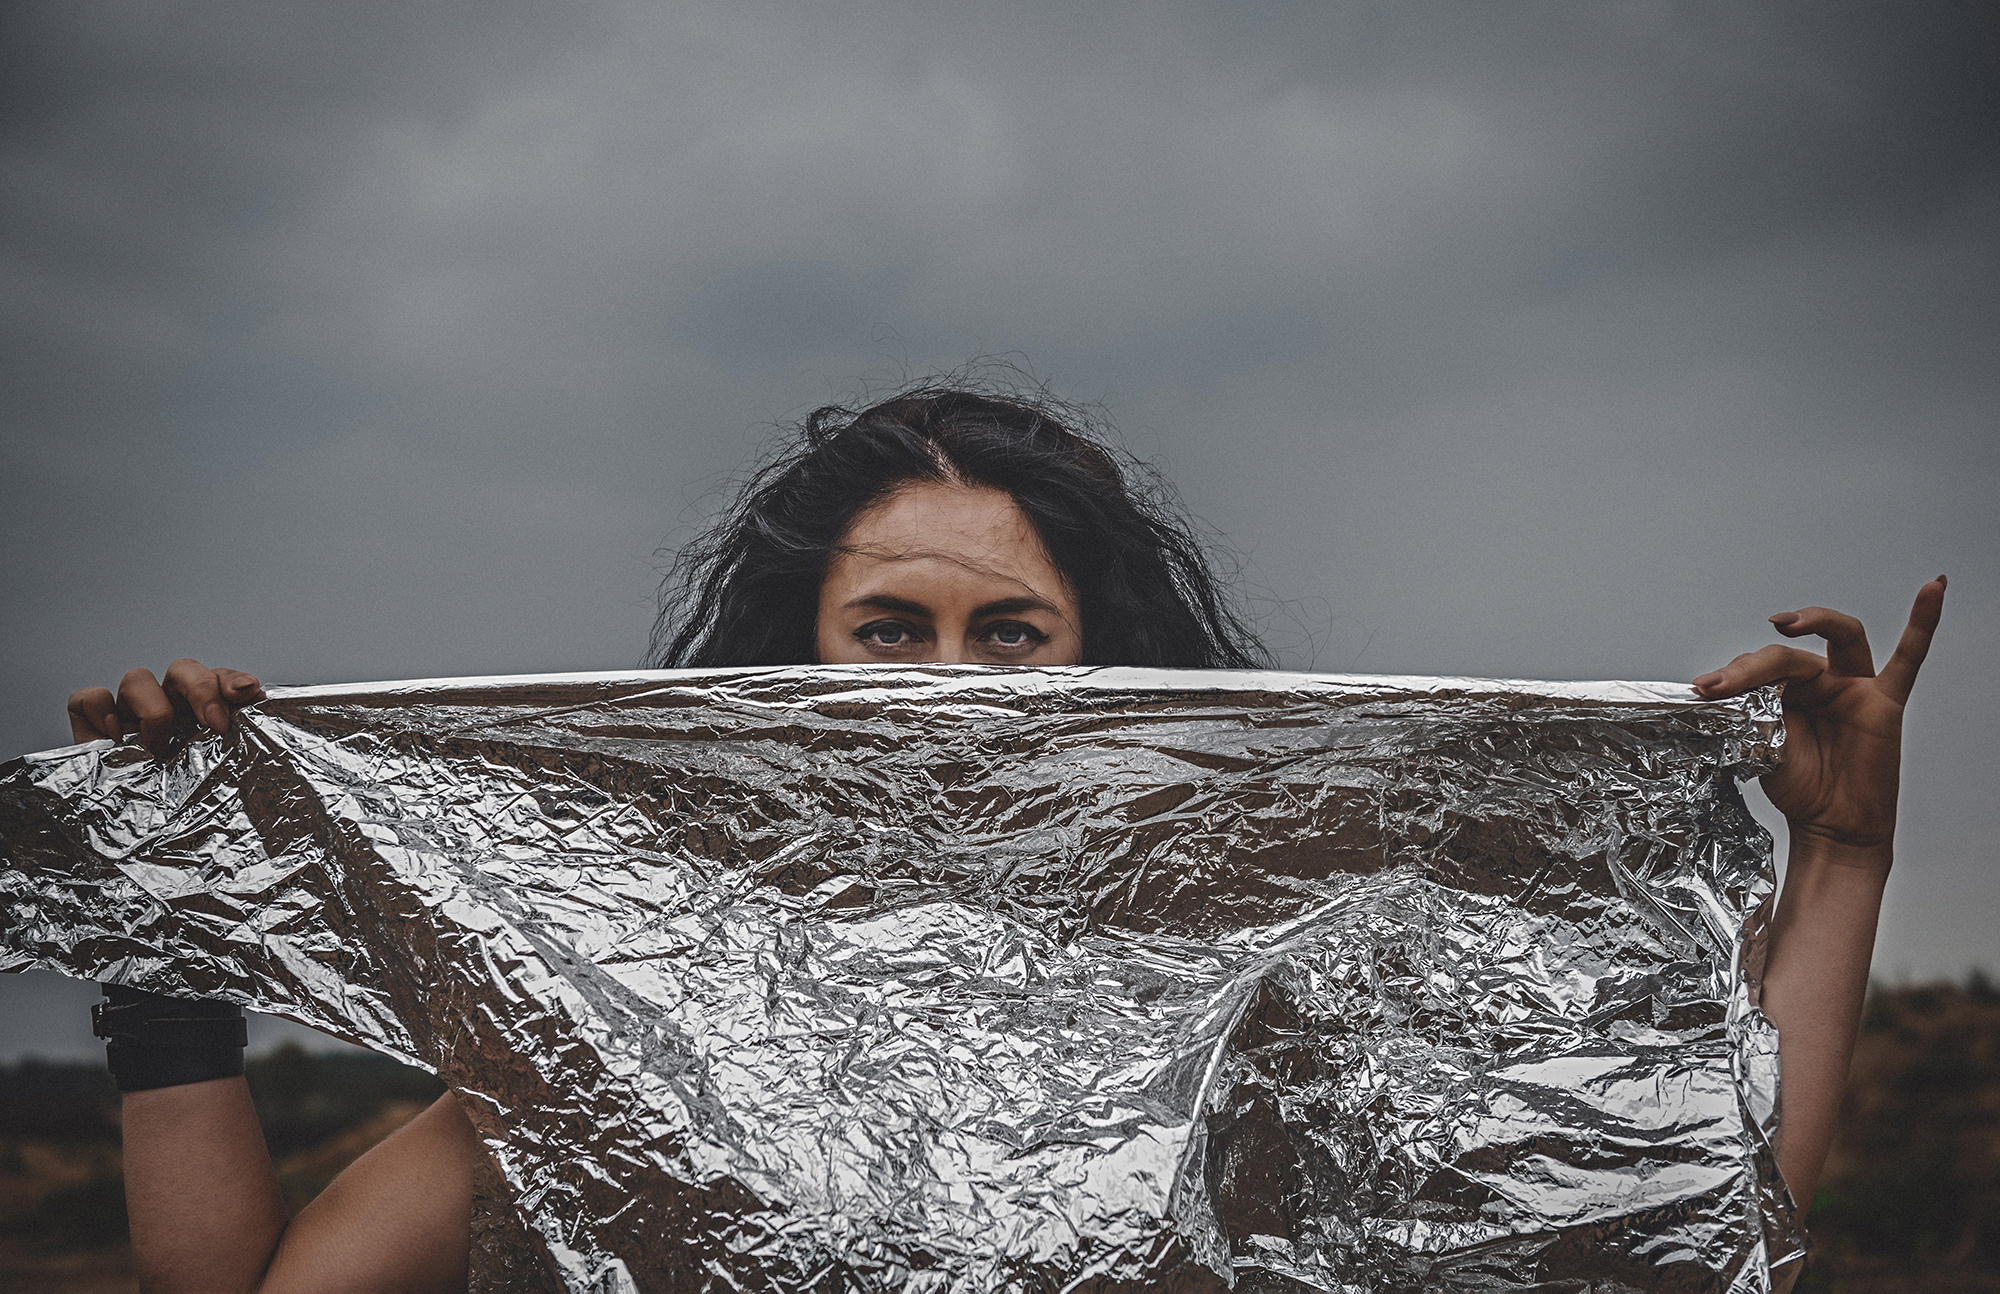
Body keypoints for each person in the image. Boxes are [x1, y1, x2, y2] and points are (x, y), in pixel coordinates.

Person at [63, 386, 1945, 1293]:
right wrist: (164, 929)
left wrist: (1841, 860)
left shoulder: (1253, 985)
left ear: (1101, 666)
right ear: (792, 662)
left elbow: (1695, 1216)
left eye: (1011, 634)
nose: (950, 684)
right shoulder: (630, 1032)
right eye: (889, 630)